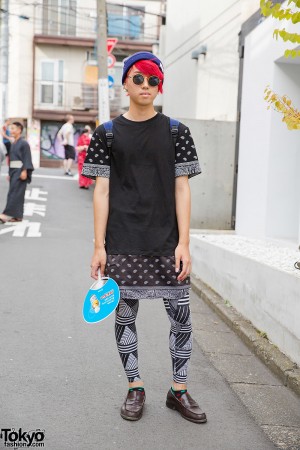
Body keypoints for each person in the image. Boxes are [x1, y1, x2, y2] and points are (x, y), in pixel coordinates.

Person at [82, 51, 207, 424]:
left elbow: (182, 189)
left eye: (154, 80)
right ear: (125, 82)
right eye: (139, 78)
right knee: (124, 316)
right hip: (122, 241)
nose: (147, 86)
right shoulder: (106, 133)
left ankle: (178, 390)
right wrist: (99, 246)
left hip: (167, 242)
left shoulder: (176, 131)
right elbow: (100, 191)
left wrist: (184, 242)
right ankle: (135, 386)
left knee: (181, 318)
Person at [0, 122, 34, 223]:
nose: (11, 130)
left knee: (15, 193)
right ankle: (18, 216)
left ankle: (6, 214)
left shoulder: (24, 143)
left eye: (13, 128)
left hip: (20, 171)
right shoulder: (14, 143)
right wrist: (10, 173)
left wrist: (25, 171)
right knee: (15, 193)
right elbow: (11, 159)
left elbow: (27, 158)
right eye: (10, 128)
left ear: (19, 130)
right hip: (14, 171)